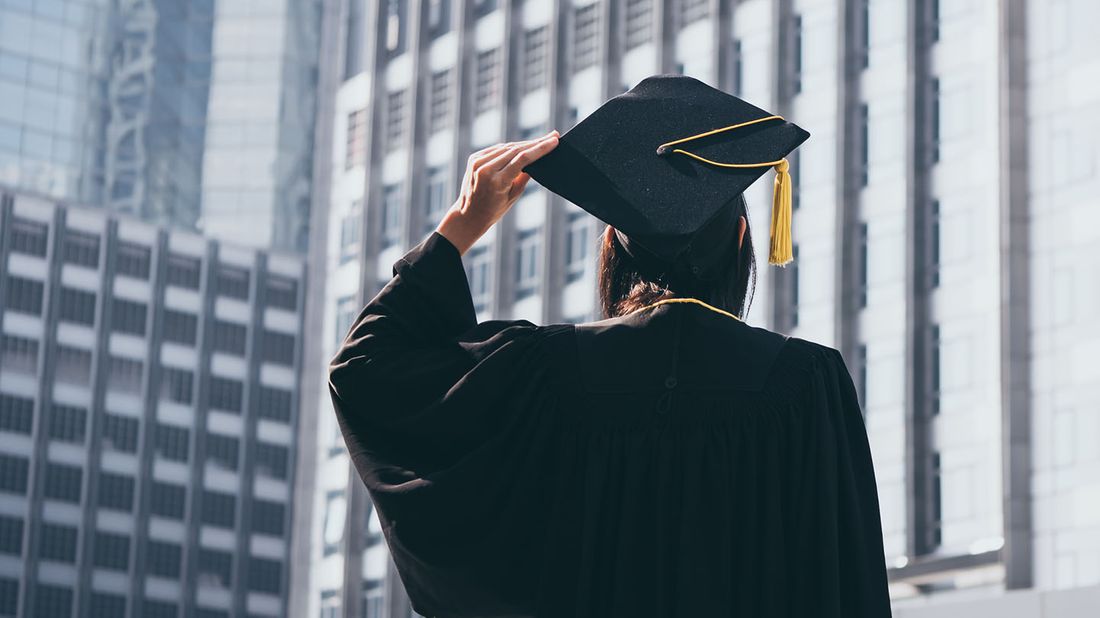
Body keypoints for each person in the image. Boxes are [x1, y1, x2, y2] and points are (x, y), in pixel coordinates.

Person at [328, 75, 893, 618]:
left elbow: (364, 369)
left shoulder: (539, 373)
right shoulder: (807, 384)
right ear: (743, 240)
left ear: (611, 248)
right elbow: (848, 584)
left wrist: (461, 225)